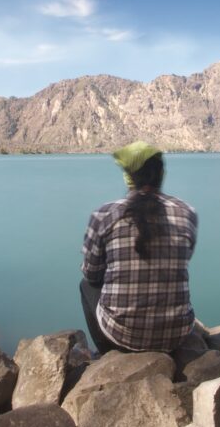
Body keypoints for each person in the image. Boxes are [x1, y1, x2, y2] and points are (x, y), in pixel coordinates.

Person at [80, 141, 198, 355]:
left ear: (129, 177)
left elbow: (91, 274)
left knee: (86, 286)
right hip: (177, 334)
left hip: (122, 335)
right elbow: (185, 258)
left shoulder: (104, 215)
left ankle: (109, 355)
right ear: (161, 174)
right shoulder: (187, 213)